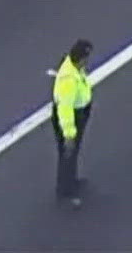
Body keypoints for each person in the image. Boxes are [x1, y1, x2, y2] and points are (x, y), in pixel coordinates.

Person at [52, 39, 94, 204]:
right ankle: (65, 190)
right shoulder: (68, 80)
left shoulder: (75, 68)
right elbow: (65, 108)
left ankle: (71, 181)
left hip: (79, 113)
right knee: (67, 153)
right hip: (72, 118)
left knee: (72, 153)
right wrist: (69, 133)